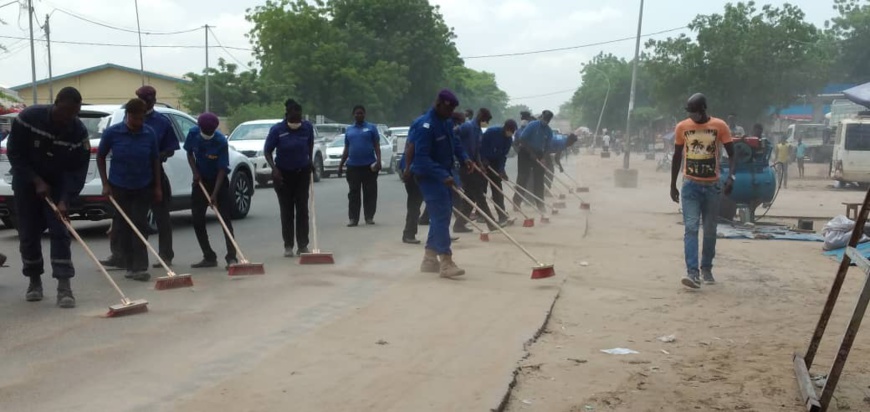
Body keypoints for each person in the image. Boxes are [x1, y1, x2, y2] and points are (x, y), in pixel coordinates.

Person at [8, 87, 89, 308]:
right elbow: (15, 153)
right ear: (56, 103)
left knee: (60, 231)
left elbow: (77, 170)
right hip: (27, 183)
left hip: (58, 183)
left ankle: (64, 286)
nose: (68, 118)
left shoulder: (77, 131)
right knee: (28, 233)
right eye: (65, 113)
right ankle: (34, 281)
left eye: (73, 114)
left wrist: (65, 199)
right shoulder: (28, 118)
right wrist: (35, 180)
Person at [100, 86, 180, 269]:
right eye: (143, 98)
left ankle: (165, 255)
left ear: (154, 100)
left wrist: (158, 156)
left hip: (153, 173)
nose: (147, 101)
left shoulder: (161, 122)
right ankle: (119, 256)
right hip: (123, 180)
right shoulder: (123, 119)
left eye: (150, 99)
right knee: (121, 220)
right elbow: (104, 154)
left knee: (160, 217)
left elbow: (171, 148)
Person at [670, 93, 735, 289]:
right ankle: (692, 272)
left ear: (703, 109)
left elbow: (732, 153)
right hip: (690, 185)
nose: (692, 116)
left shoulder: (720, 126)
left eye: (695, 112)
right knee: (690, 227)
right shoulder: (682, 127)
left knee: (709, 230)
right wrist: (672, 184)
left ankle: (706, 267)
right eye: (689, 113)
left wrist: (731, 176)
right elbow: (677, 156)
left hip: (712, 186)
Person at [97, 98, 161, 282]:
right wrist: (105, 184)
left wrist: (157, 186)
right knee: (124, 226)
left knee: (140, 225)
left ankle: (140, 267)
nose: (139, 122)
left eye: (142, 118)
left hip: (143, 185)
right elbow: (101, 157)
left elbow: (155, 160)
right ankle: (128, 264)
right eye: (136, 118)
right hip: (119, 186)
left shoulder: (149, 133)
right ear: (128, 115)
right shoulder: (113, 133)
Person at [410, 89, 472, 278]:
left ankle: (429, 258)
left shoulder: (445, 122)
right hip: (429, 176)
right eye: (449, 108)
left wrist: (465, 158)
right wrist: (441, 175)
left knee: (442, 216)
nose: (451, 112)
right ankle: (446, 261)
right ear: (439, 104)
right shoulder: (425, 126)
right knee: (440, 217)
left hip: (444, 174)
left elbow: (456, 144)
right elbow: (420, 158)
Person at [185, 113, 238, 269]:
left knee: (225, 220)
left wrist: (214, 194)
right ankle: (209, 256)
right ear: (200, 128)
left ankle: (231, 257)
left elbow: (222, 169)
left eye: (211, 132)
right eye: (205, 131)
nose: (208, 134)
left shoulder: (220, 141)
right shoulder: (193, 133)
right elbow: (189, 153)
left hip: (218, 182)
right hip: (200, 181)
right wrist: (195, 172)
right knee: (197, 219)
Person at [264, 99, 315, 257]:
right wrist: (274, 169)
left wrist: (310, 160)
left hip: (302, 173)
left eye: (299, 118)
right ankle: (288, 245)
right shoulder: (277, 130)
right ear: (287, 116)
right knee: (286, 211)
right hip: (283, 175)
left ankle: (303, 245)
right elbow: (267, 151)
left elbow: (310, 145)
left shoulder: (307, 128)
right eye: (293, 118)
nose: (296, 121)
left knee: (302, 209)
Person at [338, 105, 381, 226]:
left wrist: (379, 161)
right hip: (353, 167)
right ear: (353, 115)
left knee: (370, 193)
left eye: (361, 113)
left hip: (369, 166)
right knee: (353, 194)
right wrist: (341, 165)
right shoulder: (349, 130)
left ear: (365, 114)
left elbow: (376, 145)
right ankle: (353, 219)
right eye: (357, 113)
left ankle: (369, 217)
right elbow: (347, 148)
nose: (359, 115)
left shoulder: (371, 128)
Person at [456, 108, 498, 232]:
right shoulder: (467, 127)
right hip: (465, 166)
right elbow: (454, 138)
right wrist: (463, 157)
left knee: (470, 197)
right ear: (480, 116)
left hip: (474, 165)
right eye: (485, 120)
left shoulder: (478, 130)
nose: (486, 123)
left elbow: (477, 151)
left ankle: (458, 225)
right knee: (479, 195)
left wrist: (480, 165)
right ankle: (491, 223)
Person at [513, 110, 554, 211]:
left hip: (539, 154)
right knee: (523, 178)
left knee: (539, 180)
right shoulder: (532, 125)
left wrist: (544, 157)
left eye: (547, 120)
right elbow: (522, 139)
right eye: (544, 119)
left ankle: (540, 204)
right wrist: (531, 153)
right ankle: (516, 202)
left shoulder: (548, 131)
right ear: (541, 117)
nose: (545, 121)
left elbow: (548, 147)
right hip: (525, 152)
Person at [480, 119, 518, 224]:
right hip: (483, 162)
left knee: (497, 190)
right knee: (482, 189)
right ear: (505, 128)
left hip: (495, 163)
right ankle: (481, 215)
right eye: (510, 130)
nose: (511, 133)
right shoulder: (491, 132)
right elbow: (480, 146)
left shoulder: (509, 139)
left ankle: (502, 215)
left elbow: (503, 156)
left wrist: (501, 170)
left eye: (513, 131)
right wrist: (483, 159)